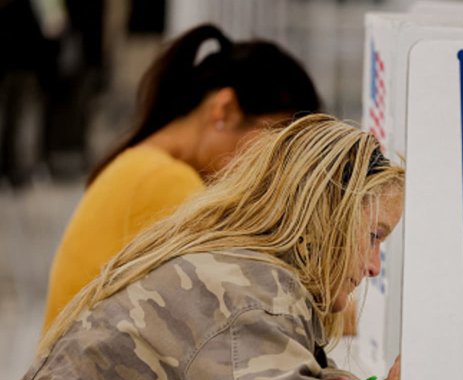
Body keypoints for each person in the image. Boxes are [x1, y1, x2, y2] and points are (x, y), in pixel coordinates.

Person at [0, 114, 404, 380]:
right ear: (324, 218)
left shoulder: (239, 268)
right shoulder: (250, 291)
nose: (373, 265)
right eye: (373, 237)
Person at [41, 23, 321, 333]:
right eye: (276, 143)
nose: (276, 166)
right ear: (224, 110)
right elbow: (247, 311)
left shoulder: (142, 163)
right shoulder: (164, 181)